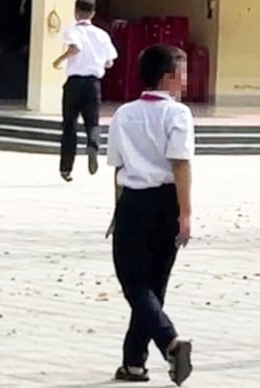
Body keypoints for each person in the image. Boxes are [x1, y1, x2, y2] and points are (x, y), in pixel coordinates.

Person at [105, 44, 194, 386]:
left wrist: (117, 210)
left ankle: (169, 342)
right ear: (168, 76)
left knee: (134, 282)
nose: (185, 82)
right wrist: (185, 213)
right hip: (167, 202)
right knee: (152, 285)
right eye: (182, 74)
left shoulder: (123, 114)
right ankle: (133, 363)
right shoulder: (178, 115)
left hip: (133, 202)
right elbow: (181, 164)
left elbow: (118, 169)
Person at [53, 0, 118, 182]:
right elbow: (110, 62)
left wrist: (58, 60)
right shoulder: (102, 35)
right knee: (93, 121)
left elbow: (75, 49)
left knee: (69, 125)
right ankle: (93, 145)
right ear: (93, 13)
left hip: (74, 82)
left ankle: (66, 168)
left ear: (76, 12)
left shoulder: (72, 31)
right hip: (93, 83)